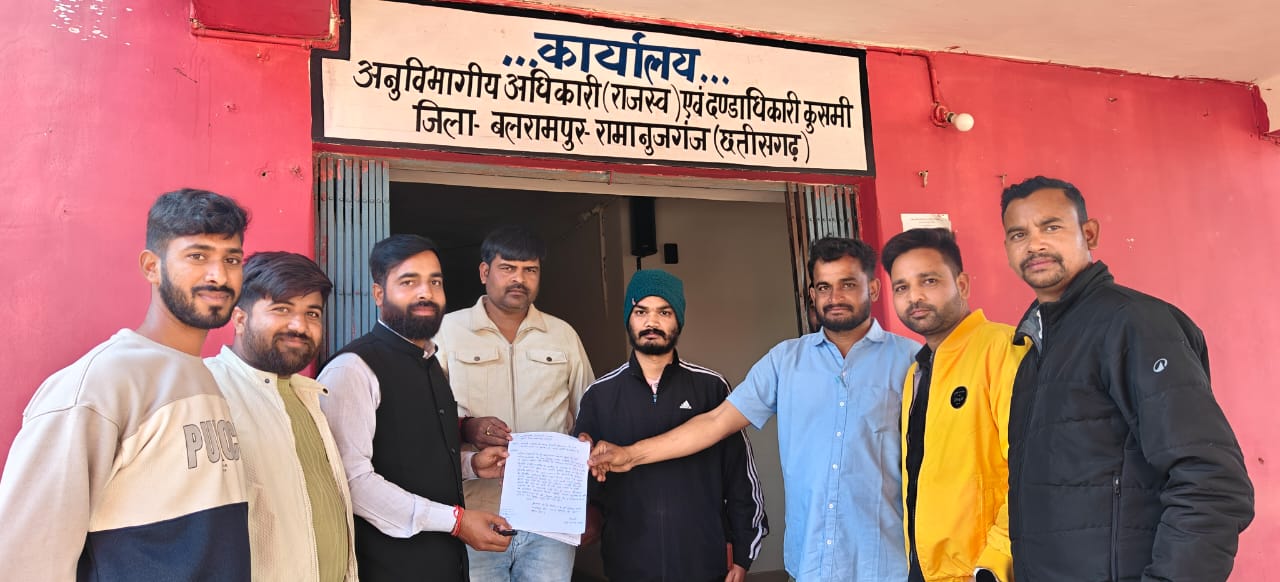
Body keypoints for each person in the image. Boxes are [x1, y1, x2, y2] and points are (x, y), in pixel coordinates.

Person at [588, 237, 920, 581]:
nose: (834, 297)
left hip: (886, 563)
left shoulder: (912, 362)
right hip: (812, 564)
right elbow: (716, 422)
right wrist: (629, 455)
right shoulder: (786, 361)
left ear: (874, 288)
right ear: (812, 294)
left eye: (847, 284)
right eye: (824, 287)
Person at [999, 176, 1254, 581]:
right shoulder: (1034, 351)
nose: (1034, 245)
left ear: (1089, 233)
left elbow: (1213, 482)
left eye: (1051, 226)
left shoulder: (1134, 324)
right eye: (1019, 234)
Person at [0, 189, 252, 580]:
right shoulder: (98, 385)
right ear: (152, 267)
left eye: (231, 259)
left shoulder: (202, 374)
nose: (218, 275)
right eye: (198, 256)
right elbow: (26, 559)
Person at [317, 234, 513, 582]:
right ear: (379, 293)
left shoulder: (431, 364)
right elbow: (353, 482)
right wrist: (457, 522)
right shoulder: (353, 369)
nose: (426, 293)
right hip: (389, 568)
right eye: (409, 282)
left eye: (435, 282)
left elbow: (413, 458)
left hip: (446, 564)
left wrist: (471, 465)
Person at [573, 270, 768, 582]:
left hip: (704, 564)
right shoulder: (600, 395)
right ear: (628, 319)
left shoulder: (711, 388)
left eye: (664, 312)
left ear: (679, 319)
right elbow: (585, 487)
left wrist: (743, 554)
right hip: (628, 566)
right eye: (641, 312)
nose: (651, 322)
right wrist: (582, 458)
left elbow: (741, 478)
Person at [434, 225, 595, 582]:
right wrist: (467, 428)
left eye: (530, 270)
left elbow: (590, 413)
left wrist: (591, 500)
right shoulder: (447, 332)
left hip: (551, 517)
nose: (519, 279)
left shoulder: (562, 335)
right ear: (484, 272)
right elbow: (427, 418)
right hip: (476, 512)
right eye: (507, 268)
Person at [881, 228, 1027, 582]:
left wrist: (996, 560)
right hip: (926, 569)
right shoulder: (916, 373)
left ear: (962, 285)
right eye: (901, 287)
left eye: (928, 281)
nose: (914, 296)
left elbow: (1032, 467)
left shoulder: (1002, 349)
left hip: (983, 570)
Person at [205, 251, 356, 581]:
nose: (299, 326)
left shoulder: (309, 395)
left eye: (312, 313)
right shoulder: (207, 392)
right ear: (240, 318)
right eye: (282, 309)